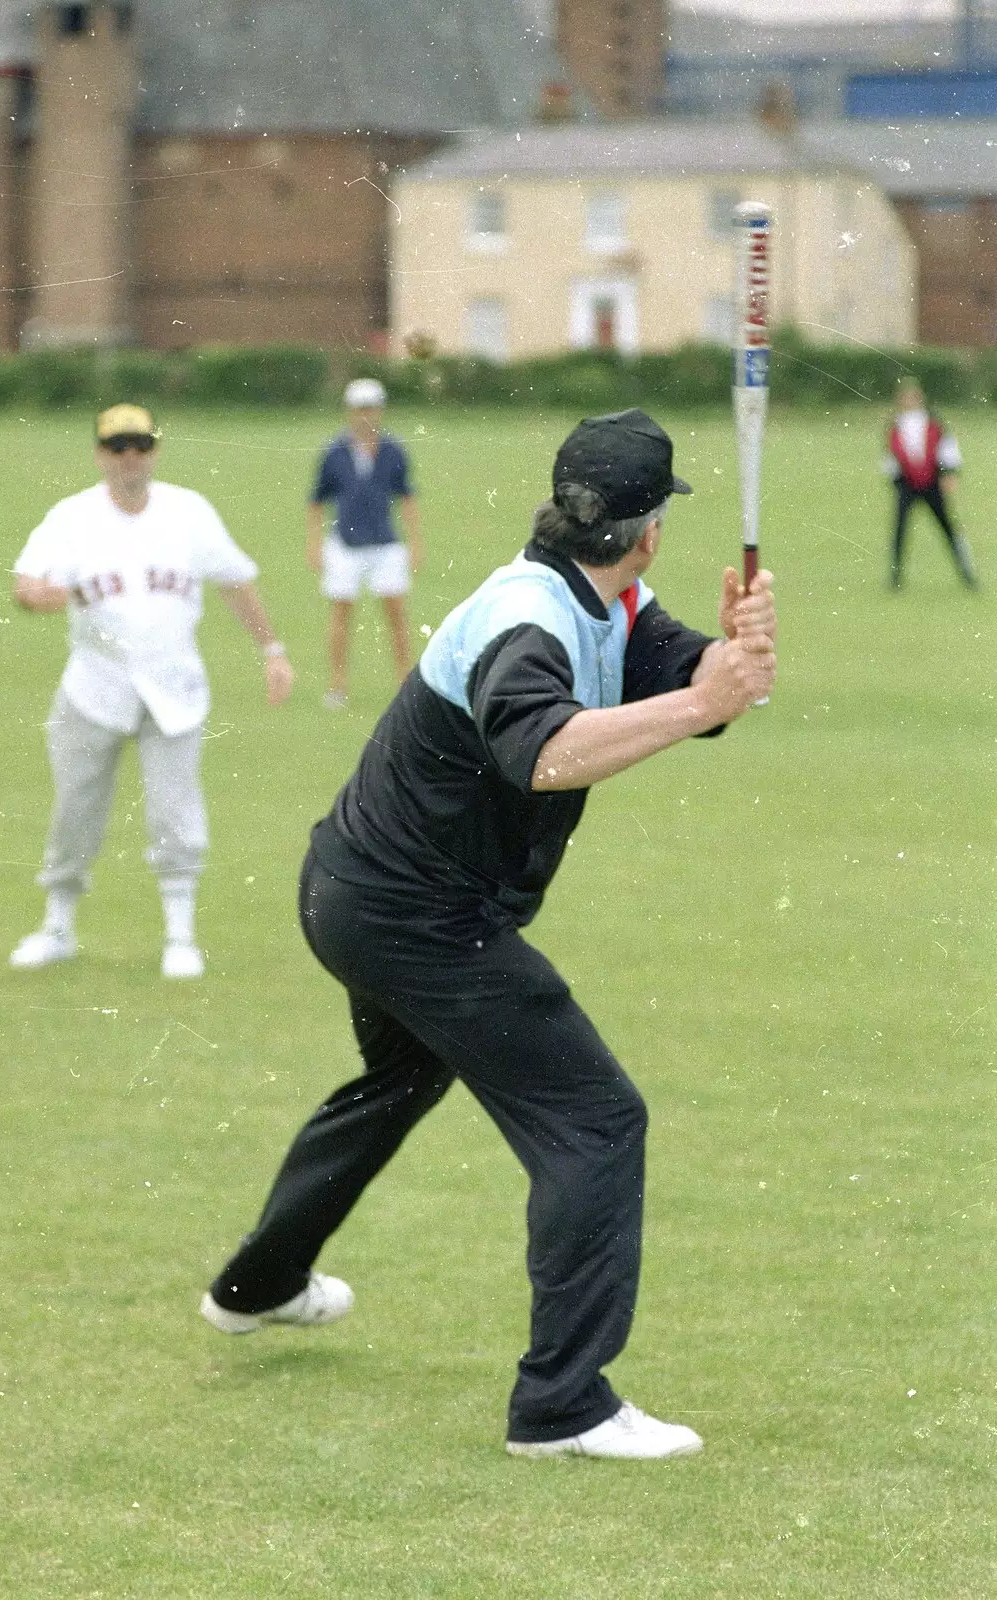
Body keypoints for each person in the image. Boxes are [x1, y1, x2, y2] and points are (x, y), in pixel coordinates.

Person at [201, 409, 777, 1459]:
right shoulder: (530, 622)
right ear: (650, 530)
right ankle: (563, 1407)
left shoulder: (601, 596)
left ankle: (258, 1284)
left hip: (351, 892)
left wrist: (731, 661)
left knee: (399, 1081)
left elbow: (686, 678)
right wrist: (702, 706)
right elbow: (545, 751)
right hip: (415, 919)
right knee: (598, 1120)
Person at [9, 403, 294, 980]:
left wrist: (272, 650)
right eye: (117, 447)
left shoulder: (188, 513)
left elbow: (235, 580)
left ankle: (180, 936)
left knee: (175, 812)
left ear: (155, 452)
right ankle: (58, 926)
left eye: (139, 446)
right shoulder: (71, 518)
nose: (129, 458)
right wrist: (44, 595)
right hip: (94, 687)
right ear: (99, 455)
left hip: (175, 685)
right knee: (75, 813)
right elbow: (27, 583)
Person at [306, 377, 423, 709]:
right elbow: (317, 500)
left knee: (396, 613)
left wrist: (415, 541)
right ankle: (337, 685)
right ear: (350, 411)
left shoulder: (393, 449)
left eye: (371, 408)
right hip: (345, 543)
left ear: (381, 410)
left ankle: (405, 685)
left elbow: (406, 497)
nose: (366, 416)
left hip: (385, 543)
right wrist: (314, 544)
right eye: (360, 409)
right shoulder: (334, 451)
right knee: (341, 613)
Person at [884, 379, 978, 589]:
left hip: (932, 482)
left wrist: (950, 473)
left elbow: (947, 449)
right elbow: (891, 455)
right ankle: (895, 577)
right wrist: (896, 480)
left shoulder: (933, 421)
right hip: (907, 484)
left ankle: (967, 573)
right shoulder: (895, 424)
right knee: (900, 530)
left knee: (948, 528)